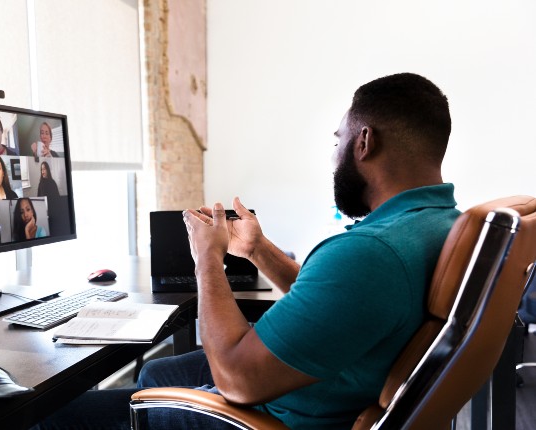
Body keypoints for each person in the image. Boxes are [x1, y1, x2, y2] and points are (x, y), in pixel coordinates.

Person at [38, 73, 461, 429]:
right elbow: (340, 299)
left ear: (364, 142)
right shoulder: (435, 224)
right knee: (157, 371)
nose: (334, 158)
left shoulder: (371, 251)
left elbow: (238, 379)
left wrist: (207, 257)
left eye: (338, 142)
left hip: (276, 415)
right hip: (327, 378)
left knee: (52, 415)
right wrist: (256, 249)